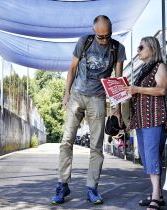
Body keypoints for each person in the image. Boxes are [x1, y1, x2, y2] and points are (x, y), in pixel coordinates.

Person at [50, 15, 126, 205]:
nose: (104, 40)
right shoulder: (84, 42)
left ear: (111, 31)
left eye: (107, 35)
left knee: (96, 146)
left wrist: (116, 108)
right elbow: (72, 67)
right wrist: (66, 93)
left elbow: (117, 81)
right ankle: (62, 184)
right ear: (94, 31)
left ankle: (92, 188)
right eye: (100, 36)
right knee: (66, 140)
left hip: (98, 99)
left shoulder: (117, 49)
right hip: (76, 95)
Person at [124, 36, 167, 210]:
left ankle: (155, 198)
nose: (138, 51)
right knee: (147, 158)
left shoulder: (160, 66)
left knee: (152, 156)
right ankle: (158, 195)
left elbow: (161, 89)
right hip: (142, 120)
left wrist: (137, 89)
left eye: (141, 47)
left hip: (155, 118)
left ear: (152, 49)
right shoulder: (143, 70)